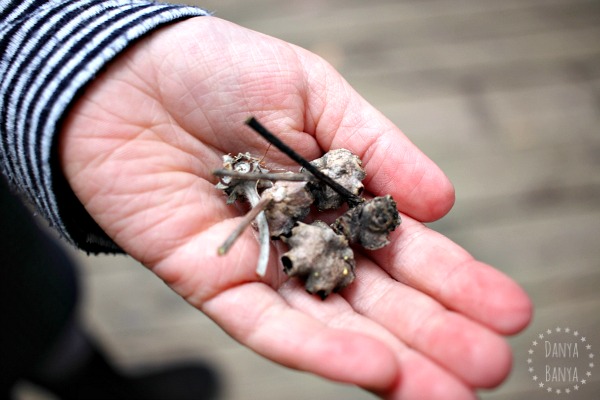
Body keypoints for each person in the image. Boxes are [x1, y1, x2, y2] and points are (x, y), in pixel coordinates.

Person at [0, 1, 533, 399]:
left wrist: (50, 48)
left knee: (34, 303)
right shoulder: (284, 210)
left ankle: (100, 385)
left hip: (14, 256)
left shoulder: (319, 210)